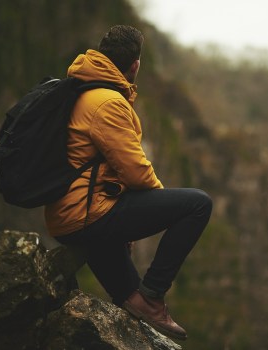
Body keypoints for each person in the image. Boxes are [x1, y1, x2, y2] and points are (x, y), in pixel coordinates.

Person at [44, 25, 212, 341]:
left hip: (74, 215)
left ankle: (142, 303)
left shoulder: (81, 89)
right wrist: (154, 210)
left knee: (131, 305)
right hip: (86, 216)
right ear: (134, 65)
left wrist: (127, 216)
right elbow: (135, 172)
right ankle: (154, 295)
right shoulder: (106, 101)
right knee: (197, 204)